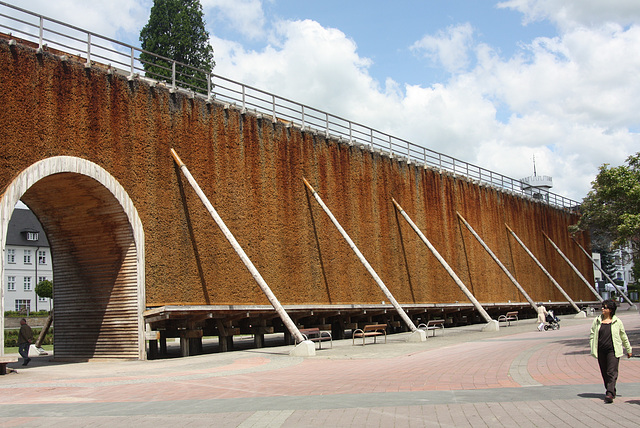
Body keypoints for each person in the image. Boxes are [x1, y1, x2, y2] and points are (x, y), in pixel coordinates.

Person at [589, 299, 632, 403]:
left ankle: (609, 394)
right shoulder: (597, 320)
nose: (603, 309)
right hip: (601, 350)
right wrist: (592, 347)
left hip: (613, 350)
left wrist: (628, 349)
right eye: (602, 307)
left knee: (611, 372)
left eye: (605, 307)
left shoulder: (617, 321)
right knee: (604, 372)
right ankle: (611, 389)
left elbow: (623, 336)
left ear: (611, 310)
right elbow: (592, 334)